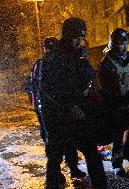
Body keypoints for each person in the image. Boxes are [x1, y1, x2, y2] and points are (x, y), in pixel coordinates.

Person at [40, 18, 107, 189]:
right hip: (58, 116)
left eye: (81, 38)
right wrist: (69, 104)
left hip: (79, 113)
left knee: (92, 153)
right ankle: (52, 184)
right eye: (75, 38)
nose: (79, 42)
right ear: (67, 35)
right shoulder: (53, 57)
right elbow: (49, 87)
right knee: (55, 157)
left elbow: (89, 75)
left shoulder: (80, 53)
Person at [29, 37, 86, 182]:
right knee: (54, 142)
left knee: (67, 139)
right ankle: (55, 174)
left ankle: (71, 168)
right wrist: (38, 107)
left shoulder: (56, 62)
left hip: (59, 108)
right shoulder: (41, 64)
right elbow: (35, 88)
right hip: (48, 110)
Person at [98, 28, 129, 176]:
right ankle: (116, 163)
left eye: (124, 44)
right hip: (115, 104)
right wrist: (116, 101)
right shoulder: (106, 62)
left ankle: (128, 153)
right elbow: (105, 87)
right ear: (113, 44)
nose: (122, 46)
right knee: (117, 134)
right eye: (119, 43)